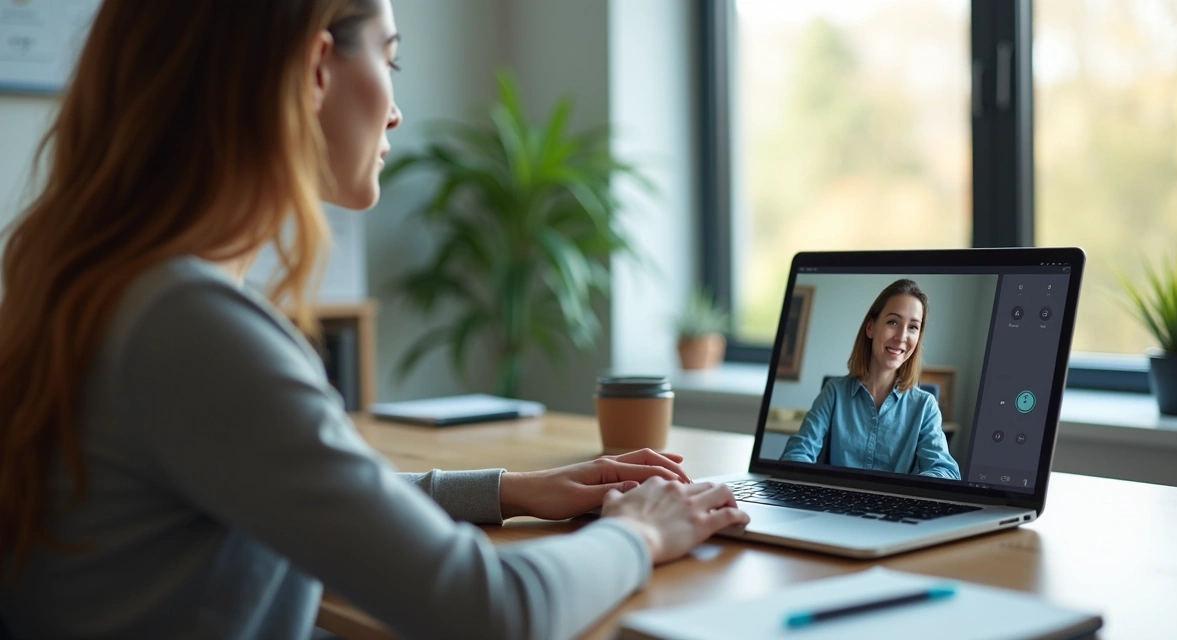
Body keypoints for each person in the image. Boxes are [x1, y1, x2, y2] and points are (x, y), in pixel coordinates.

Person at [0, 1, 750, 638]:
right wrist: (641, 530)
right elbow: (489, 611)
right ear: (315, 67)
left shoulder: (100, 290)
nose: (395, 109)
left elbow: (309, 495)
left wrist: (511, 490)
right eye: (389, 62)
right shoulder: (190, 326)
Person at [779, 279, 960, 479]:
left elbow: (946, 472)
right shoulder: (834, 393)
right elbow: (795, 455)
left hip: (894, 508)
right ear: (870, 328)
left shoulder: (925, 406)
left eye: (913, 327)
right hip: (835, 503)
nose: (901, 337)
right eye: (893, 322)